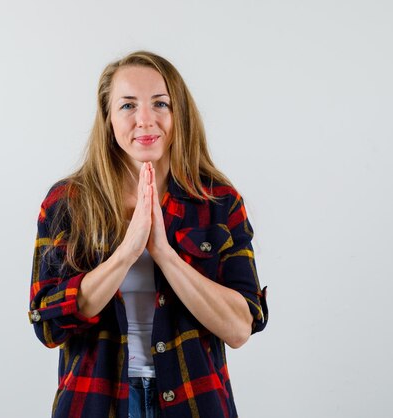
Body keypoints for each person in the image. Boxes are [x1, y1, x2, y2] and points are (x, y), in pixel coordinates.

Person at [28, 50, 268, 418]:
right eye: (127, 106)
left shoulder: (219, 201)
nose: (145, 120)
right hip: (96, 402)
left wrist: (164, 252)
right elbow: (49, 326)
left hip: (195, 403)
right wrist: (127, 251)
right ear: (108, 119)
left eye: (160, 103)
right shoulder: (67, 203)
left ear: (179, 114)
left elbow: (238, 328)